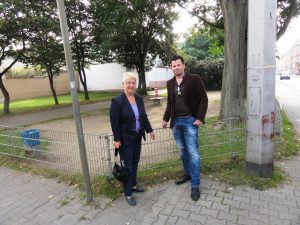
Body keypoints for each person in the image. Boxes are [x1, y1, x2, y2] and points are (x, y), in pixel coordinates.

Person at [162, 55, 208, 201]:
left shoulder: (194, 79)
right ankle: (187, 174)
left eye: (178, 65)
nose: (176, 67)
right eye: (173, 66)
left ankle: (195, 185)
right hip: (176, 123)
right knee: (183, 151)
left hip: (190, 122)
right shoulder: (170, 83)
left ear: (184, 65)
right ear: (171, 67)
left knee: (193, 153)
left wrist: (200, 118)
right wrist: (165, 119)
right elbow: (170, 103)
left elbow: (204, 99)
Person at [110, 72, 155, 206]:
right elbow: (114, 122)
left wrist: (150, 130)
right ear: (123, 84)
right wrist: (117, 139)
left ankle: (133, 185)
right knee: (128, 167)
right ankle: (128, 192)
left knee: (135, 163)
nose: (131, 85)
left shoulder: (139, 99)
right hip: (125, 140)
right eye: (128, 82)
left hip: (137, 137)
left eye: (133, 83)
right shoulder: (117, 101)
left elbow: (143, 117)